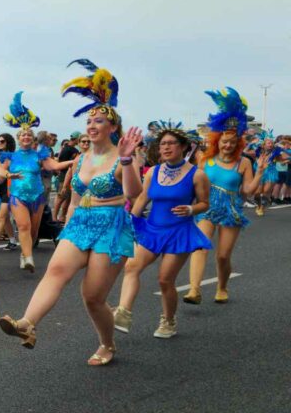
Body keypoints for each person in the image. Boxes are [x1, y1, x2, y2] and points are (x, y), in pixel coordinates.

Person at [0, 59, 141, 366]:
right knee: (56, 270)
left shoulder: (124, 157)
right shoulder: (80, 159)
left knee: (92, 296)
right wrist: (69, 224)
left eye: (99, 121)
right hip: (80, 224)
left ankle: (107, 343)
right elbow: (75, 198)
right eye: (89, 121)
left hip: (111, 226)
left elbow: (134, 194)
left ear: (112, 127)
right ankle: (27, 324)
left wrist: (129, 162)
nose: (91, 125)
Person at [114, 124, 212, 338]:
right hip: (152, 230)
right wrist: (131, 222)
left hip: (179, 233)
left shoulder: (197, 175)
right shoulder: (153, 172)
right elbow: (142, 198)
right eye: (162, 144)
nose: (165, 147)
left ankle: (168, 321)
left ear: (184, 146)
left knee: (165, 280)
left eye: (171, 143)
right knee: (131, 266)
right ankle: (123, 312)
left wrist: (191, 208)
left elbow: (205, 203)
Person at [185, 88, 267, 304]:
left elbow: (248, 191)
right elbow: (191, 183)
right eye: (224, 141)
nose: (228, 144)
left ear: (238, 142)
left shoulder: (244, 162)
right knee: (200, 246)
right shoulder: (204, 160)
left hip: (231, 210)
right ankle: (194, 290)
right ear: (217, 141)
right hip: (206, 208)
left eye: (232, 141)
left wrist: (259, 173)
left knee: (222, 255)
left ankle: (222, 286)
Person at [0, 92, 74, 271]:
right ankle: (29, 258)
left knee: (33, 230)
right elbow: (1, 170)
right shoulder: (11, 156)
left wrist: (72, 161)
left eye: (28, 135)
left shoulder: (39, 155)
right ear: (18, 138)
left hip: (37, 197)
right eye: (23, 135)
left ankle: (25, 253)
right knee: (23, 226)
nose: (25, 137)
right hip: (17, 196)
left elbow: (54, 165)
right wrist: (6, 175)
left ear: (32, 139)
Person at [0, 133, 17, 246]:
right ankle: (12, 240)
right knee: (6, 218)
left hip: (8, 190)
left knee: (1, 217)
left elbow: (1, 178)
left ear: (8, 142)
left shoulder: (9, 157)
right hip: (1, 190)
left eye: (2, 141)